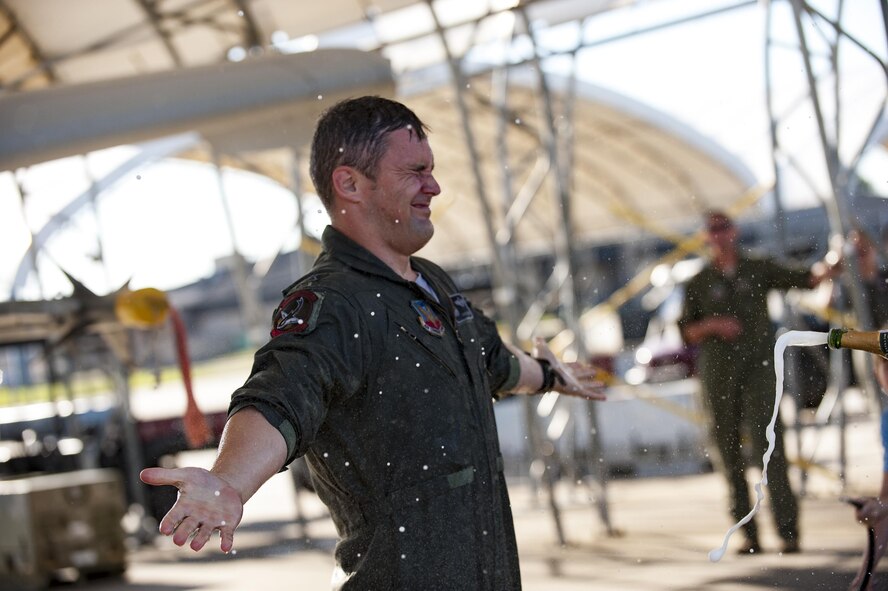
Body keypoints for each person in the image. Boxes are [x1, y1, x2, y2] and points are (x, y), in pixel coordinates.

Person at [140, 95, 604, 590]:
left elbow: (492, 361)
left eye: (432, 170)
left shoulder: (433, 283)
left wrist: (549, 374)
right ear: (350, 184)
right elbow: (281, 397)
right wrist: (231, 480)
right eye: (415, 172)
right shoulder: (334, 303)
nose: (434, 186)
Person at [677, 210, 838, 555]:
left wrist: (833, 264)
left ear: (734, 231)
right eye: (712, 230)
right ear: (706, 237)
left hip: (759, 370)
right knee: (728, 450)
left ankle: (788, 532)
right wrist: (714, 325)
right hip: (719, 375)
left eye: (724, 228)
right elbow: (687, 331)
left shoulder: (757, 268)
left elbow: (806, 279)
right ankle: (747, 534)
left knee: (770, 447)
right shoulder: (699, 282)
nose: (719, 235)